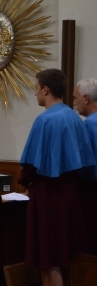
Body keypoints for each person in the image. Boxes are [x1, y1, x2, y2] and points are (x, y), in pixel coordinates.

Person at [19, 69, 96, 286]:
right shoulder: (75, 118)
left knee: (49, 259)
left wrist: (23, 183)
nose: (35, 94)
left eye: (36, 88)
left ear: (46, 89)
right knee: (69, 256)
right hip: (72, 195)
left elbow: (31, 166)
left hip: (47, 197)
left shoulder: (44, 121)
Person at [73, 78, 97, 256]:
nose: (74, 103)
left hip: (91, 191)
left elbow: (83, 163)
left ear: (86, 99)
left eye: (76, 98)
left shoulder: (88, 125)